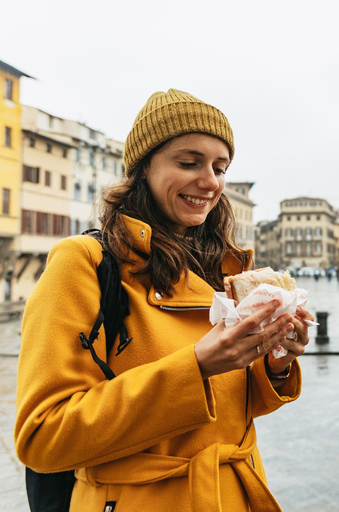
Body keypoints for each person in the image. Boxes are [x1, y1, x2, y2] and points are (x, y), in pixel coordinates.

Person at [14, 89, 313, 511]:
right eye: (188, 163)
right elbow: (43, 436)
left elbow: (222, 414)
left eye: (219, 167)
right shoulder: (82, 263)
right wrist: (197, 366)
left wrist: (274, 364)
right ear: (143, 169)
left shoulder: (220, 268)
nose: (210, 181)